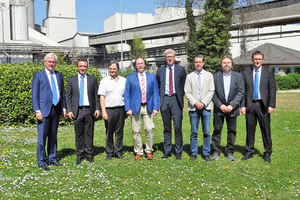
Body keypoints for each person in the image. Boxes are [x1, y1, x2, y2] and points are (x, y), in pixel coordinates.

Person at [32, 53, 66, 170]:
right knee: (42, 137)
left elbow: (62, 93)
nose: (51, 64)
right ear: (45, 62)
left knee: (53, 136)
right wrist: (37, 110)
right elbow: (35, 95)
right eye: (49, 62)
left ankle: (52, 158)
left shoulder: (59, 75)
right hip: (43, 110)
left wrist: (63, 108)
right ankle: (42, 161)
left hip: (56, 109)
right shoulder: (38, 76)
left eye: (53, 62)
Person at [241, 51, 276, 163]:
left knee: (266, 130)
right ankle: (249, 151)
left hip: (263, 105)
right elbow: (243, 91)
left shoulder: (268, 71)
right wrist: (243, 106)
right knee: (250, 129)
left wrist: (271, 105)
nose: (257, 61)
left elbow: (272, 89)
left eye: (259, 59)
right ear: (252, 60)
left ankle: (267, 153)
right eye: (255, 59)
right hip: (250, 104)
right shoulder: (246, 72)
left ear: (262, 60)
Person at [124, 57, 159, 160]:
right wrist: (128, 108)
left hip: (148, 107)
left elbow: (155, 93)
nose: (140, 65)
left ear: (145, 65)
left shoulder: (152, 77)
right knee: (136, 130)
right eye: (138, 64)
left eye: (141, 63)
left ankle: (149, 150)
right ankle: (138, 151)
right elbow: (127, 94)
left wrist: (156, 107)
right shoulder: (130, 78)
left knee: (149, 128)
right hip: (135, 107)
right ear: (135, 66)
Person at [66, 58, 100, 165]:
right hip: (77, 111)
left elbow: (96, 96)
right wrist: (69, 110)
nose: (82, 68)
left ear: (87, 67)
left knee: (89, 133)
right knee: (79, 134)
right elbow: (69, 97)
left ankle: (89, 154)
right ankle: (79, 155)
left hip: (89, 110)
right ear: (77, 67)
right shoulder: (71, 80)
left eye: (84, 66)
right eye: (80, 66)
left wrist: (97, 108)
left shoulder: (92, 79)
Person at [211, 56, 245, 161]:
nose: (226, 64)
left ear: (231, 64)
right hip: (219, 108)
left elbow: (241, 92)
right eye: (224, 62)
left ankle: (230, 152)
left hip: (232, 109)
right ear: (221, 64)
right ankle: (216, 151)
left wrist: (232, 105)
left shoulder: (238, 76)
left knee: (232, 131)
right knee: (217, 130)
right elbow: (212, 92)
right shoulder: (215, 76)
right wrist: (219, 105)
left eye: (228, 62)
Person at [156, 49, 186, 160]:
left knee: (177, 126)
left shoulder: (181, 70)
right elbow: (158, 85)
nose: (169, 58)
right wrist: (162, 97)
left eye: (171, 56)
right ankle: (167, 151)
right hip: (165, 100)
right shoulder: (160, 70)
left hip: (176, 100)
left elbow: (183, 84)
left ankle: (178, 151)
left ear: (174, 57)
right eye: (168, 57)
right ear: (165, 58)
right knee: (167, 127)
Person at [184, 54, 215, 161]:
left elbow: (211, 91)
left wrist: (203, 102)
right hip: (194, 108)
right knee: (194, 132)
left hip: (206, 108)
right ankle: (194, 152)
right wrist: (196, 103)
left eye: (200, 62)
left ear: (203, 63)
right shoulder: (189, 77)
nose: (198, 64)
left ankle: (206, 152)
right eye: (196, 62)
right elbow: (187, 92)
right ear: (194, 63)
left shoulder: (209, 76)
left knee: (206, 131)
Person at [98, 60, 126, 161]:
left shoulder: (123, 80)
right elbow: (102, 97)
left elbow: (126, 96)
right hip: (109, 109)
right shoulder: (104, 81)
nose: (112, 70)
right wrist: (103, 111)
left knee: (119, 132)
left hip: (120, 109)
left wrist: (126, 110)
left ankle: (118, 152)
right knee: (109, 132)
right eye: (110, 68)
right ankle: (109, 152)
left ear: (118, 69)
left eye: (114, 68)